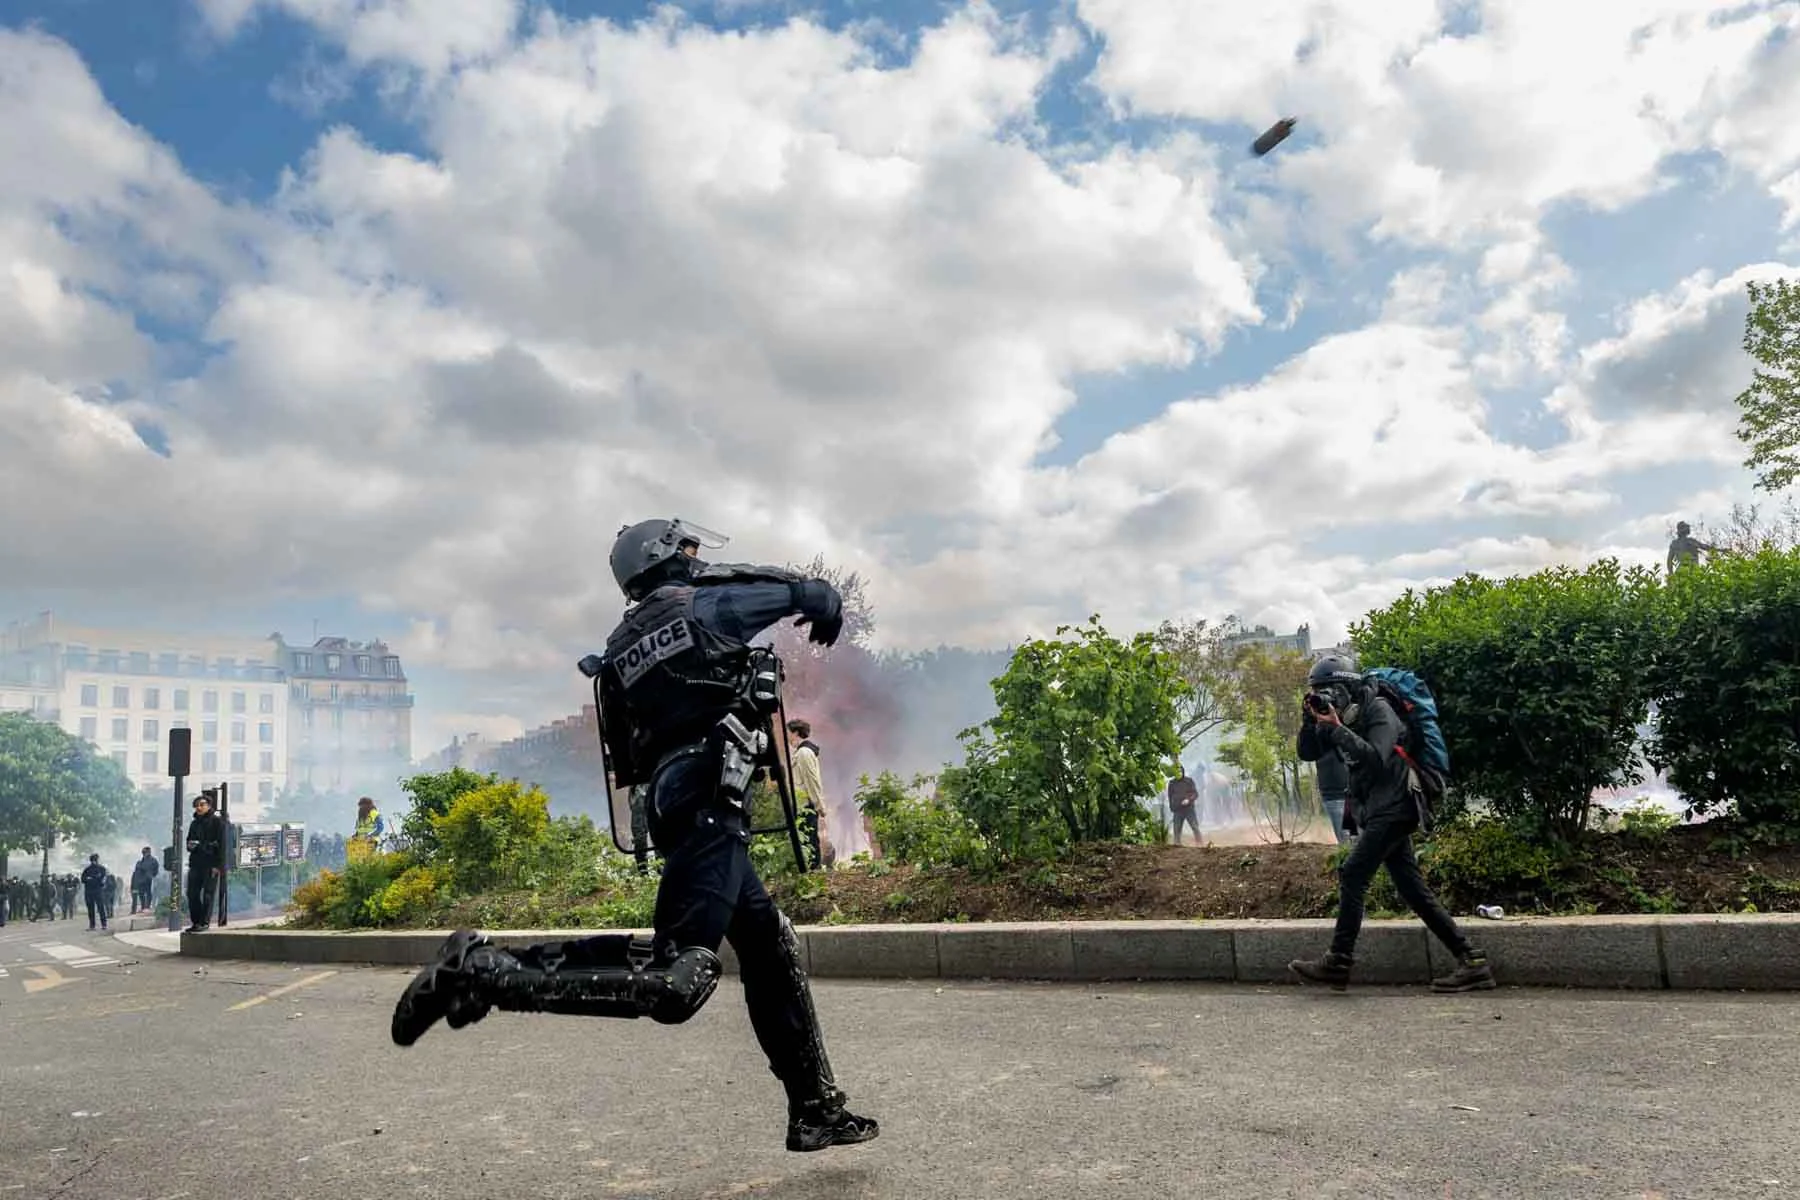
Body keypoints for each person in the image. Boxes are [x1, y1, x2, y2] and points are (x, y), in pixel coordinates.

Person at [392, 517, 880, 1154]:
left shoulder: (620, 648)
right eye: (691, 550)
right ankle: (483, 972)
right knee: (677, 980)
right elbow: (807, 595)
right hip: (711, 793)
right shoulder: (705, 604)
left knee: (768, 946)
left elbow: (629, 755)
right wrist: (821, 600)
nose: (699, 559)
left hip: (679, 801)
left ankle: (814, 1108)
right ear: (668, 557)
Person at [1289, 656, 1494, 993]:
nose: (1323, 697)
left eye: (1328, 690)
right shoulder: (1341, 717)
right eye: (1316, 692)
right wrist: (1309, 720)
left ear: (1347, 687)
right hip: (1378, 808)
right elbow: (1307, 752)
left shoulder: (1378, 710)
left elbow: (1377, 759)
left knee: (1353, 872)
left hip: (1399, 804)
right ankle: (1472, 961)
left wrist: (1337, 730)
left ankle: (1338, 962)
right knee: (1412, 889)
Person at [785, 719, 832, 869]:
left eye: (788, 733)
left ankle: (814, 869)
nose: (787, 736)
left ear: (796, 733)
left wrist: (819, 805)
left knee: (809, 838)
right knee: (806, 837)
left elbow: (812, 781)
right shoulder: (801, 752)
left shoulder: (804, 753)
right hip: (803, 803)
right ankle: (811, 869)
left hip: (806, 803)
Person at [184, 792, 227, 933]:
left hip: (211, 865)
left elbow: (222, 845)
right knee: (192, 894)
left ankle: (204, 922)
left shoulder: (217, 822)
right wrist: (193, 845)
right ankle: (196, 922)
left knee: (208, 894)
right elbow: (189, 842)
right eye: (196, 805)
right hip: (195, 863)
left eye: (202, 805)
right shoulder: (194, 824)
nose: (199, 808)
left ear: (209, 806)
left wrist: (218, 865)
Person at [1167, 766, 1201, 846]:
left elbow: (1195, 794)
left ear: (1183, 772)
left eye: (1180, 771)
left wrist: (1188, 800)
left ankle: (1200, 844)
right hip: (1177, 809)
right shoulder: (1172, 783)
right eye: (1176, 772)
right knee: (1176, 829)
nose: (1178, 773)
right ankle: (1177, 844)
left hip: (1189, 809)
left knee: (1194, 827)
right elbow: (1170, 796)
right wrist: (1171, 807)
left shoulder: (1189, 781)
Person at [81, 854, 109, 931]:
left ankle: (104, 924)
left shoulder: (102, 869)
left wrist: (90, 879)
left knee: (101, 908)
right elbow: (83, 879)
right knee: (91, 909)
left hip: (97, 891)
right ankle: (92, 925)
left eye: (95, 860)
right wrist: (95, 879)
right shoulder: (87, 870)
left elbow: (102, 880)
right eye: (93, 860)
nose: (94, 861)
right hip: (89, 891)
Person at [130, 847, 159, 915]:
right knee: (141, 893)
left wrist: (151, 875)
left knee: (148, 892)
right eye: (143, 853)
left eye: (144, 852)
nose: (143, 854)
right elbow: (137, 871)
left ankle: (147, 906)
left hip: (147, 879)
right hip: (141, 880)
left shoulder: (153, 860)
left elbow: (155, 870)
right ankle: (143, 906)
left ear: (148, 852)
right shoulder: (141, 861)